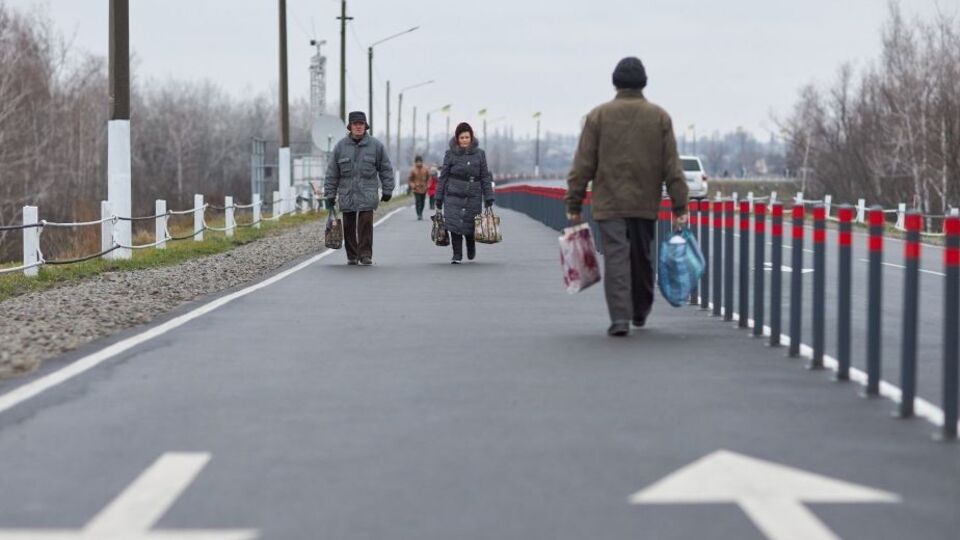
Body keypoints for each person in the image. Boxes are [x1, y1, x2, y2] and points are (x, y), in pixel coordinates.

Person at [565, 57, 689, 337]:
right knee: (642, 255)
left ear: (615, 82)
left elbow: (583, 163)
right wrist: (680, 204)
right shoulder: (659, 117)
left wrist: (573, 202)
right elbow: (672, 165)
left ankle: (620, 318)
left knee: (617, 257)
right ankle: (640, 310)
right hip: (645, 201)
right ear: (643, 82)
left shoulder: (598, 116)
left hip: (608, 202)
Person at [324, 111, 394, 266]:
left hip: (367, 192)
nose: (358, 127)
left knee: (365, 224)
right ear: (350, 126)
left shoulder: (376, 146)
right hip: (347, 192)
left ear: (365, 126)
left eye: (361, 124)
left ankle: (365, 254)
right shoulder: (340, 147)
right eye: (355, 124)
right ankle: (352, 255)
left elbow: (386, 169)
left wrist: (388, 189)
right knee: (348, 225)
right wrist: (330, 193)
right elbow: (332, 173)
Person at [435, 122, 494, 264]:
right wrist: (439, 196)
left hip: (473, 194)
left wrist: (488, 196)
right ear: (457, 138)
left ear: (471, 137)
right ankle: (457, 254)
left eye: (467, 137)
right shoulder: (450, 154)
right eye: (461, 137)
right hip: (453, 194)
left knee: (470, 224)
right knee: (454, 225)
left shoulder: (480, 154)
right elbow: (443, 176)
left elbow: (485, 176)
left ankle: (471, 244)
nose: (464, 140)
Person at [407, 155, 431, 220]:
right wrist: (412, 185)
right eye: (417, 162)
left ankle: (421, 212)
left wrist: (428, 185)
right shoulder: (413, 170)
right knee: (418, 201)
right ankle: (419, 214)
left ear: (422, 162)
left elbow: (429, 178)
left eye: (420, 162)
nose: (419, 163)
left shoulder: (425, 169)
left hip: (424, 188)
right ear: (415, 162)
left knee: (422, 201)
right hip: (416, 188)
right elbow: (410, 179)